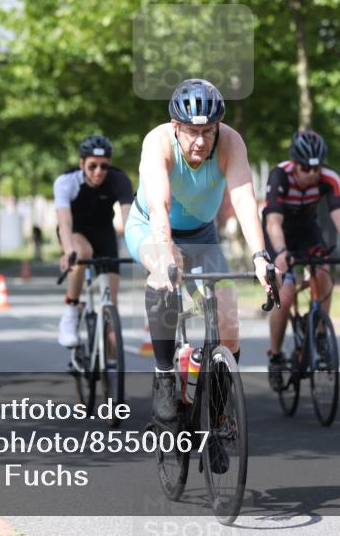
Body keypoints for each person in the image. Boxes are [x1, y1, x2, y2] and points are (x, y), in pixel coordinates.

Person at [124, 79, 274, 427]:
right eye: (192, 131)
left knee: (229, 321)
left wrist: (260, 257)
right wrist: (165, 257)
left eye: (208, 131)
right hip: (151, 227)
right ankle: (164, 377)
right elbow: (160, 206)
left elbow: (242, 199)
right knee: (164, 267)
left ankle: (219, 414)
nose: (200, 141)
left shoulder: (230, 142)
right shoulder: (157, 142)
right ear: (176, 126)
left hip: (203, 234)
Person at [263, 130, 340, 390]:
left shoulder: (329, 178)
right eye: (305, 168)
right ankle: (275, 356)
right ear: (294, 164)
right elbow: (273, 220)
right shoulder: (280, 175)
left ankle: (320, 333)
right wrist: (279, 252)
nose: (311, 173)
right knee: (285, 296)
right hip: (279, 233)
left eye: (316, 168)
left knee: (323, 273)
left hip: (308, 230)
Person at [53, 135, 134, 347]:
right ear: (82, 164)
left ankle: (108, 361)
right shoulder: (66, 182)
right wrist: (68, 250)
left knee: (111, 303)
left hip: (104, 233)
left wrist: (141, 250)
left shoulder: (119, 180)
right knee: (82, 254)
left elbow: (129, 220)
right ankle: (71, 312)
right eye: (92, 166)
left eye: (104, 166)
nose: (98, 171)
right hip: (76, 232)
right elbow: (64, 223)